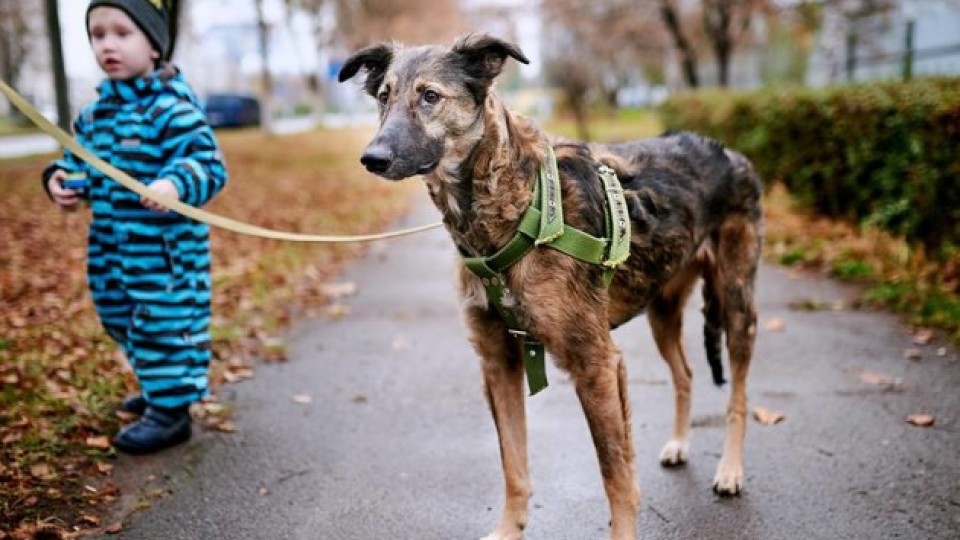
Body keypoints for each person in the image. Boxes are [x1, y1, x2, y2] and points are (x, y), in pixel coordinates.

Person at [41, 0, 228, 454]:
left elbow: (208, 164)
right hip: (109, 246)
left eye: (122, 33)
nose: (108, 44)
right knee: (120, 318)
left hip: (164, 254)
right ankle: (156, 386)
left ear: (155, 46)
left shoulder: (171, 108)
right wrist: (60, 181)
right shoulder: (93, 116)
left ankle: (171, 413)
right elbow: (76, 163)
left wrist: (174, 183)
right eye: (98, 34)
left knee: (160, 324)